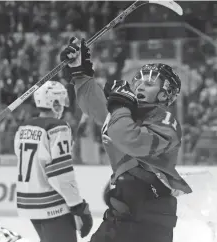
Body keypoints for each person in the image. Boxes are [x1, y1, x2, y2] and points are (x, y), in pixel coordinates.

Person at [60, 37, 192, 242]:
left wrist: (119, 105)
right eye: (138, 81)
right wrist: (80, 72)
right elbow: (96, 107)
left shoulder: (165, 121)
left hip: (148, 220)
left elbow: (131, 139)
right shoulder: (126, 115)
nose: (139, 86)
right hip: (125, 217)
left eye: (149, 84)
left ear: (165, 95)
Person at [13, 80, 93, 242]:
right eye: (62, 102)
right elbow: (60, 174)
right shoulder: (58, 128)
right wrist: (78, 206)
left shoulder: (24, 128)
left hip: (28, 202)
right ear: (55, 103)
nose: (63, 106)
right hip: (51, 204)